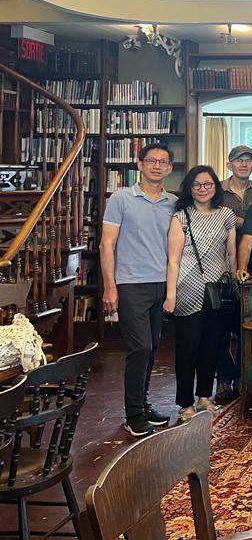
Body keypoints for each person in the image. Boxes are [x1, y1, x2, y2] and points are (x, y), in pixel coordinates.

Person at [100, 142, 176, 437]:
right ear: (140, 165)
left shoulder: (173, 202)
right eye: (151, 161)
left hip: (161, 284)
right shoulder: (121, 198)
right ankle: (133, 415)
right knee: (140, 348)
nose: (157, 166)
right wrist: (110, 287)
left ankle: (142, 405)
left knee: (152, 347)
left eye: (163, 162)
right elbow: (107, 244)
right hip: (131, 283)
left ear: (169, 168)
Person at [163, 165, 236, 423]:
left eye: (208, 184)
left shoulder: (226, 215)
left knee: (211, 347)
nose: (202, 189)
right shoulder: (181, 217)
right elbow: (173, 259)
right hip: (187, 289)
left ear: (216, 187)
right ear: (189, 188)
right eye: (197, 185)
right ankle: (185, 403)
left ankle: (204, 396)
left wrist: (234, 280)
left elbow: (231, 253)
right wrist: (170, 294)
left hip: (217, 292)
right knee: (187, 349)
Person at [215, 144, 252, 404]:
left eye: (248, 160)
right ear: (229, 165)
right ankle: (224, 378)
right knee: (221, 326)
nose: (244, 164)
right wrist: (242, 222)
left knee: (246, 324)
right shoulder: (218, 190)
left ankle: (242, 376)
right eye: (239, 160)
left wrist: (242, 222)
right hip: (221, 265)